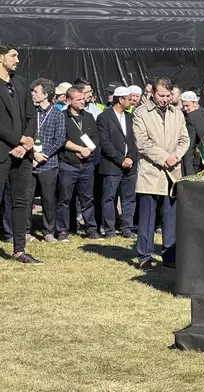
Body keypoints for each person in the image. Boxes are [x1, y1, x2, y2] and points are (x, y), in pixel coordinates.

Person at [133, 77, 190, 270]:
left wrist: (176, 155)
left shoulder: (177, 114)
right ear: (152, 94)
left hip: (173, 173)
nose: (165, 99)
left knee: (171, 217)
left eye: (168, 95)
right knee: (147, 217)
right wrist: (164, 157)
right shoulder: (140, 113)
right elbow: (142, 142)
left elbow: (184, 139)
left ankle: (169, 256)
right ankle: (145, 256)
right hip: (152, 171)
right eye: (161, 95)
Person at [0, 41, 46, 264]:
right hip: (2, 151)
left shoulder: (21, 83)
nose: (18, 60)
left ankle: (19, 250)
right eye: (13, 55)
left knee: (22, 202)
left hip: (23, 154)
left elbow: (31, 117)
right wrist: (18, 139)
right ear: (1, 57)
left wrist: (26, 145)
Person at [56, 86, 102, 241]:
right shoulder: (61, 116)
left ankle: (91, 229)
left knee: (87, 199)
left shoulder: (88, 117)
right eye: (79, 99)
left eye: (84, 99)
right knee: (65, 199)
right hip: (68, 165)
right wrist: (79, 149)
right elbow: (61, 139)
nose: (83, 102)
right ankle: (62, 230)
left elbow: (95, 137)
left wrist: (88, 150)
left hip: (87, 165)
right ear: (69, 101)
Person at [27, 78, 66, 243]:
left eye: (36, 91)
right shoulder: (30, 112)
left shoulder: (57, 114)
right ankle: (25, 231)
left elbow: (60, 139)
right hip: (29, 162)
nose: (33, 94)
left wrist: (44, 155)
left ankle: (48, 231)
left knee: (48, 199)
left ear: (46, 94)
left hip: (48, 164)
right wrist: (32, 154)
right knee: (26, 199)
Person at [96, 86, 138, 239]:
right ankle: (110, 230)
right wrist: (121, 160)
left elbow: (136, 141)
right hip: (112, 165)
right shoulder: (104, 118)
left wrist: (131, 158)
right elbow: (105, 143)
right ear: (120, 100)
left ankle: (127, 228)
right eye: (128, 98)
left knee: (129, 198)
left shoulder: (131, 117)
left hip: (130, 165)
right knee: (109, 198)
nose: (132, 101)